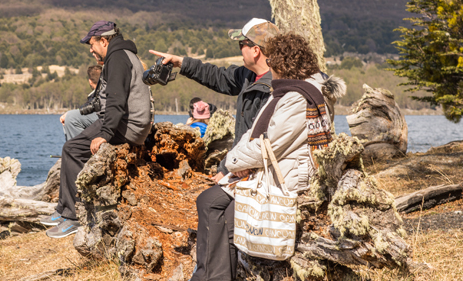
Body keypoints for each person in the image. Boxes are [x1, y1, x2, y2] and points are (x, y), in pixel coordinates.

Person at [191, 33, 345, 281]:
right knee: (208, 201)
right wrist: (237, 161)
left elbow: (269, 146)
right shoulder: (287, 91)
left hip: (283, 178)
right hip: (264, 169)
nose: (269, 66)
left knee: (229, 222)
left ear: (283, 64)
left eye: (272, 61)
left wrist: (234, 162)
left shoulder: (300, 98)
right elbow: (253, 133)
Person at [41, 21, 153, 238]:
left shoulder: (118, 58)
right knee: (74, 143)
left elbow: (116, 101)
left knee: (72, 150)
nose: (90, 50)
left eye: (92, 44)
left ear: (104, 40)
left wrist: (104, 134)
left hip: (127, 126)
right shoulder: (122, 55)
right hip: (128, 123)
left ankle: (73, 217)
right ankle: (63, 210)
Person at [150, 18, 279, 182]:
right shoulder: (249, 75)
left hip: (257, 174)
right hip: (240, 166)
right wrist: (180, 63)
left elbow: (257, 138)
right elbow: (218, 77)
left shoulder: (274, 89)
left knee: (209, 204)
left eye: (241, 44)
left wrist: (227, 169)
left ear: (255, 50)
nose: (239, 50)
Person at [59, 64, 103, 141]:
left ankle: (76, 149)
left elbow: (94, 105)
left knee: (70, 118)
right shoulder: (100, 91)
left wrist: (74, 112)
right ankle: (71, 147)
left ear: (90, 81)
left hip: (102, 118)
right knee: (69, 116)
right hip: (102, 118)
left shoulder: (99, 92)